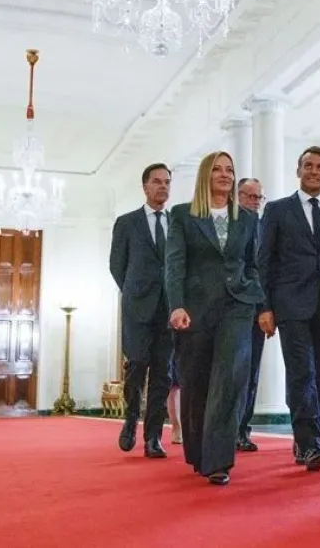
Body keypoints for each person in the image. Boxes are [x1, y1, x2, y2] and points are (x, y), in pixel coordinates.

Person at [165, 151, 263, 485]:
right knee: (196, 383)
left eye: (230, 170)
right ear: (206, 176)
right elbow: (175, 264)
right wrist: (176, 306)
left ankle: (219, 460)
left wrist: (258, 300)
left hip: (238, 306)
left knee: (229, 379)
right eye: (218, 169)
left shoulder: (248, 220)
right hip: (196, 310)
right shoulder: (182, 215)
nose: (224, 175)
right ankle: (198, 451)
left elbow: (253, 264)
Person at [258, 146, 320, 472]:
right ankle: (310, 443)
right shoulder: (278, 211)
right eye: (308, 166)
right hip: (291, 304)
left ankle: (305, 436)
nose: (314, 171)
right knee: (303, 372)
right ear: (298, 171)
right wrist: (265, 308)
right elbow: (263, 261)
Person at [109, 163, 173, 458]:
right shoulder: (127, 222)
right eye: (157, 182)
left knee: (163, 374)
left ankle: (154, 437)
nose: (163, 187)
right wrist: (135, 292)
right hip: (137, 309)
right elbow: (116, 266)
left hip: (170, 311)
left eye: (167, 182)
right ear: (145, 187)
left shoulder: (178, 223)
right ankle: (131, 419)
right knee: (137, 367)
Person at [235, 177, 266, 453]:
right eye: (250, 196)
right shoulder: (229, 226)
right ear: (238, 197)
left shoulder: (264, 227)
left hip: (258, 311)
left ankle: (242, 429)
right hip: (232, 309)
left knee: (252, 372)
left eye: (258, 197)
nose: (255, 202)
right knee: (230, 372)